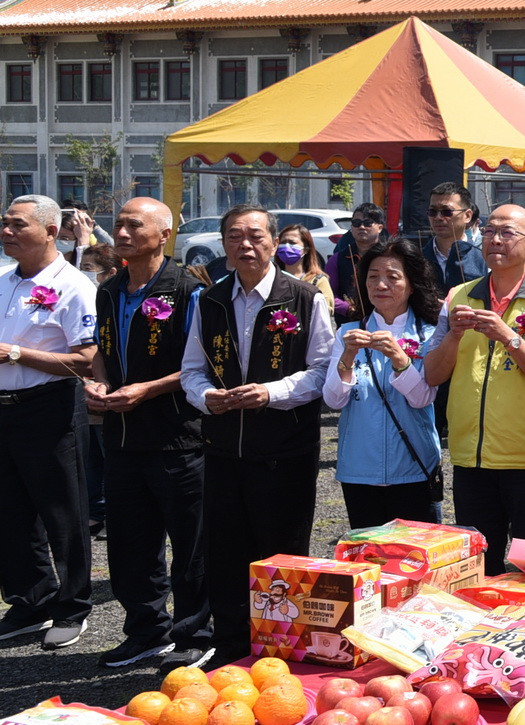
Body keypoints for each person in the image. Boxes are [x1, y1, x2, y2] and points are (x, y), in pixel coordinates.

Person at [179, 205, 335, 662]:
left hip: (285, 450)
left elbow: (322, 370)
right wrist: (206, 397)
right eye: (234, 236)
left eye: (255, 236)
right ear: (223, 243)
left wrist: (271, 392)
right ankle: (230, 648)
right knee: (225, 552)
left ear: (275, 242)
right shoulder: (209, 301)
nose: (245, 245)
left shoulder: (304, 297)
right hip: (223, 447)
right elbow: (191, 369)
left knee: (282, 554)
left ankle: (283, 650)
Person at [425, 204, 525, 575]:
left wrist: (509, 337)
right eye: (490, 231)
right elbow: (432, 374)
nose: (495, 239)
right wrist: (454, 336)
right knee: (478, 567)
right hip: (471, 457)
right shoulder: (458, 296)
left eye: (507, 232)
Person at [88, 198, 207, 669]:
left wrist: (148, 389)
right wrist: (98, 382)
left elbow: (204, 364)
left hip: (177, 434)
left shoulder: (189, 290)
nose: (121, 232)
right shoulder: (109, 290)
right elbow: (101, 348)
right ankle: (145, 629)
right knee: (130, 542)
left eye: (134, 225)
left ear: (163, 235)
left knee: (190, 543)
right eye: (118, 224)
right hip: (121, 435)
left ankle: (195, 631)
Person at [0, 197, 99, 652]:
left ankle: (73, 604)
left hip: (49, 406)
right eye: (4, 223)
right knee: (10, 511)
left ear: (51, 232)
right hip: (4, 408)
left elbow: (87, 359)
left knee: (64, 512)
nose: (6, 231)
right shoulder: (4, 281)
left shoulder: (73, 285)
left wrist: (17, 354)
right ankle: (30, 599)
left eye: (17, 224)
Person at [324, 238, 443, 528]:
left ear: (412, 284)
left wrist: (400, 359)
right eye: (373, 277)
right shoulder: (349, 332)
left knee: (415, 552)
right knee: (368, 551)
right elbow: (333, 399)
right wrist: (348, 356)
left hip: (415, 467)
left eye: (392, 277)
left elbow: (422, 398)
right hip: (359, 470)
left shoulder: (430, 335)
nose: (381, 285)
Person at [423, 182, 488, 291]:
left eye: (446, 212)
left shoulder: (484, 259)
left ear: (467, 216)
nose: (438, 217)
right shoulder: (417, 259)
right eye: (432, 212)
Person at [328, 202, 385, 318]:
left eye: (367, 223)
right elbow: (328, 293)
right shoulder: (337, 259)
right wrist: (347, 309)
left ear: (380, 228)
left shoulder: (390, 257)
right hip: (349, 322)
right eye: (356, 223)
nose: (361, 227)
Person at [276, 223, 336, 309]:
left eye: (292, 243)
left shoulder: (318, 280)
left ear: (306, 249)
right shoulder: (273, 277)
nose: (286, 246)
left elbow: (326, 309)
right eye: (283, 242)